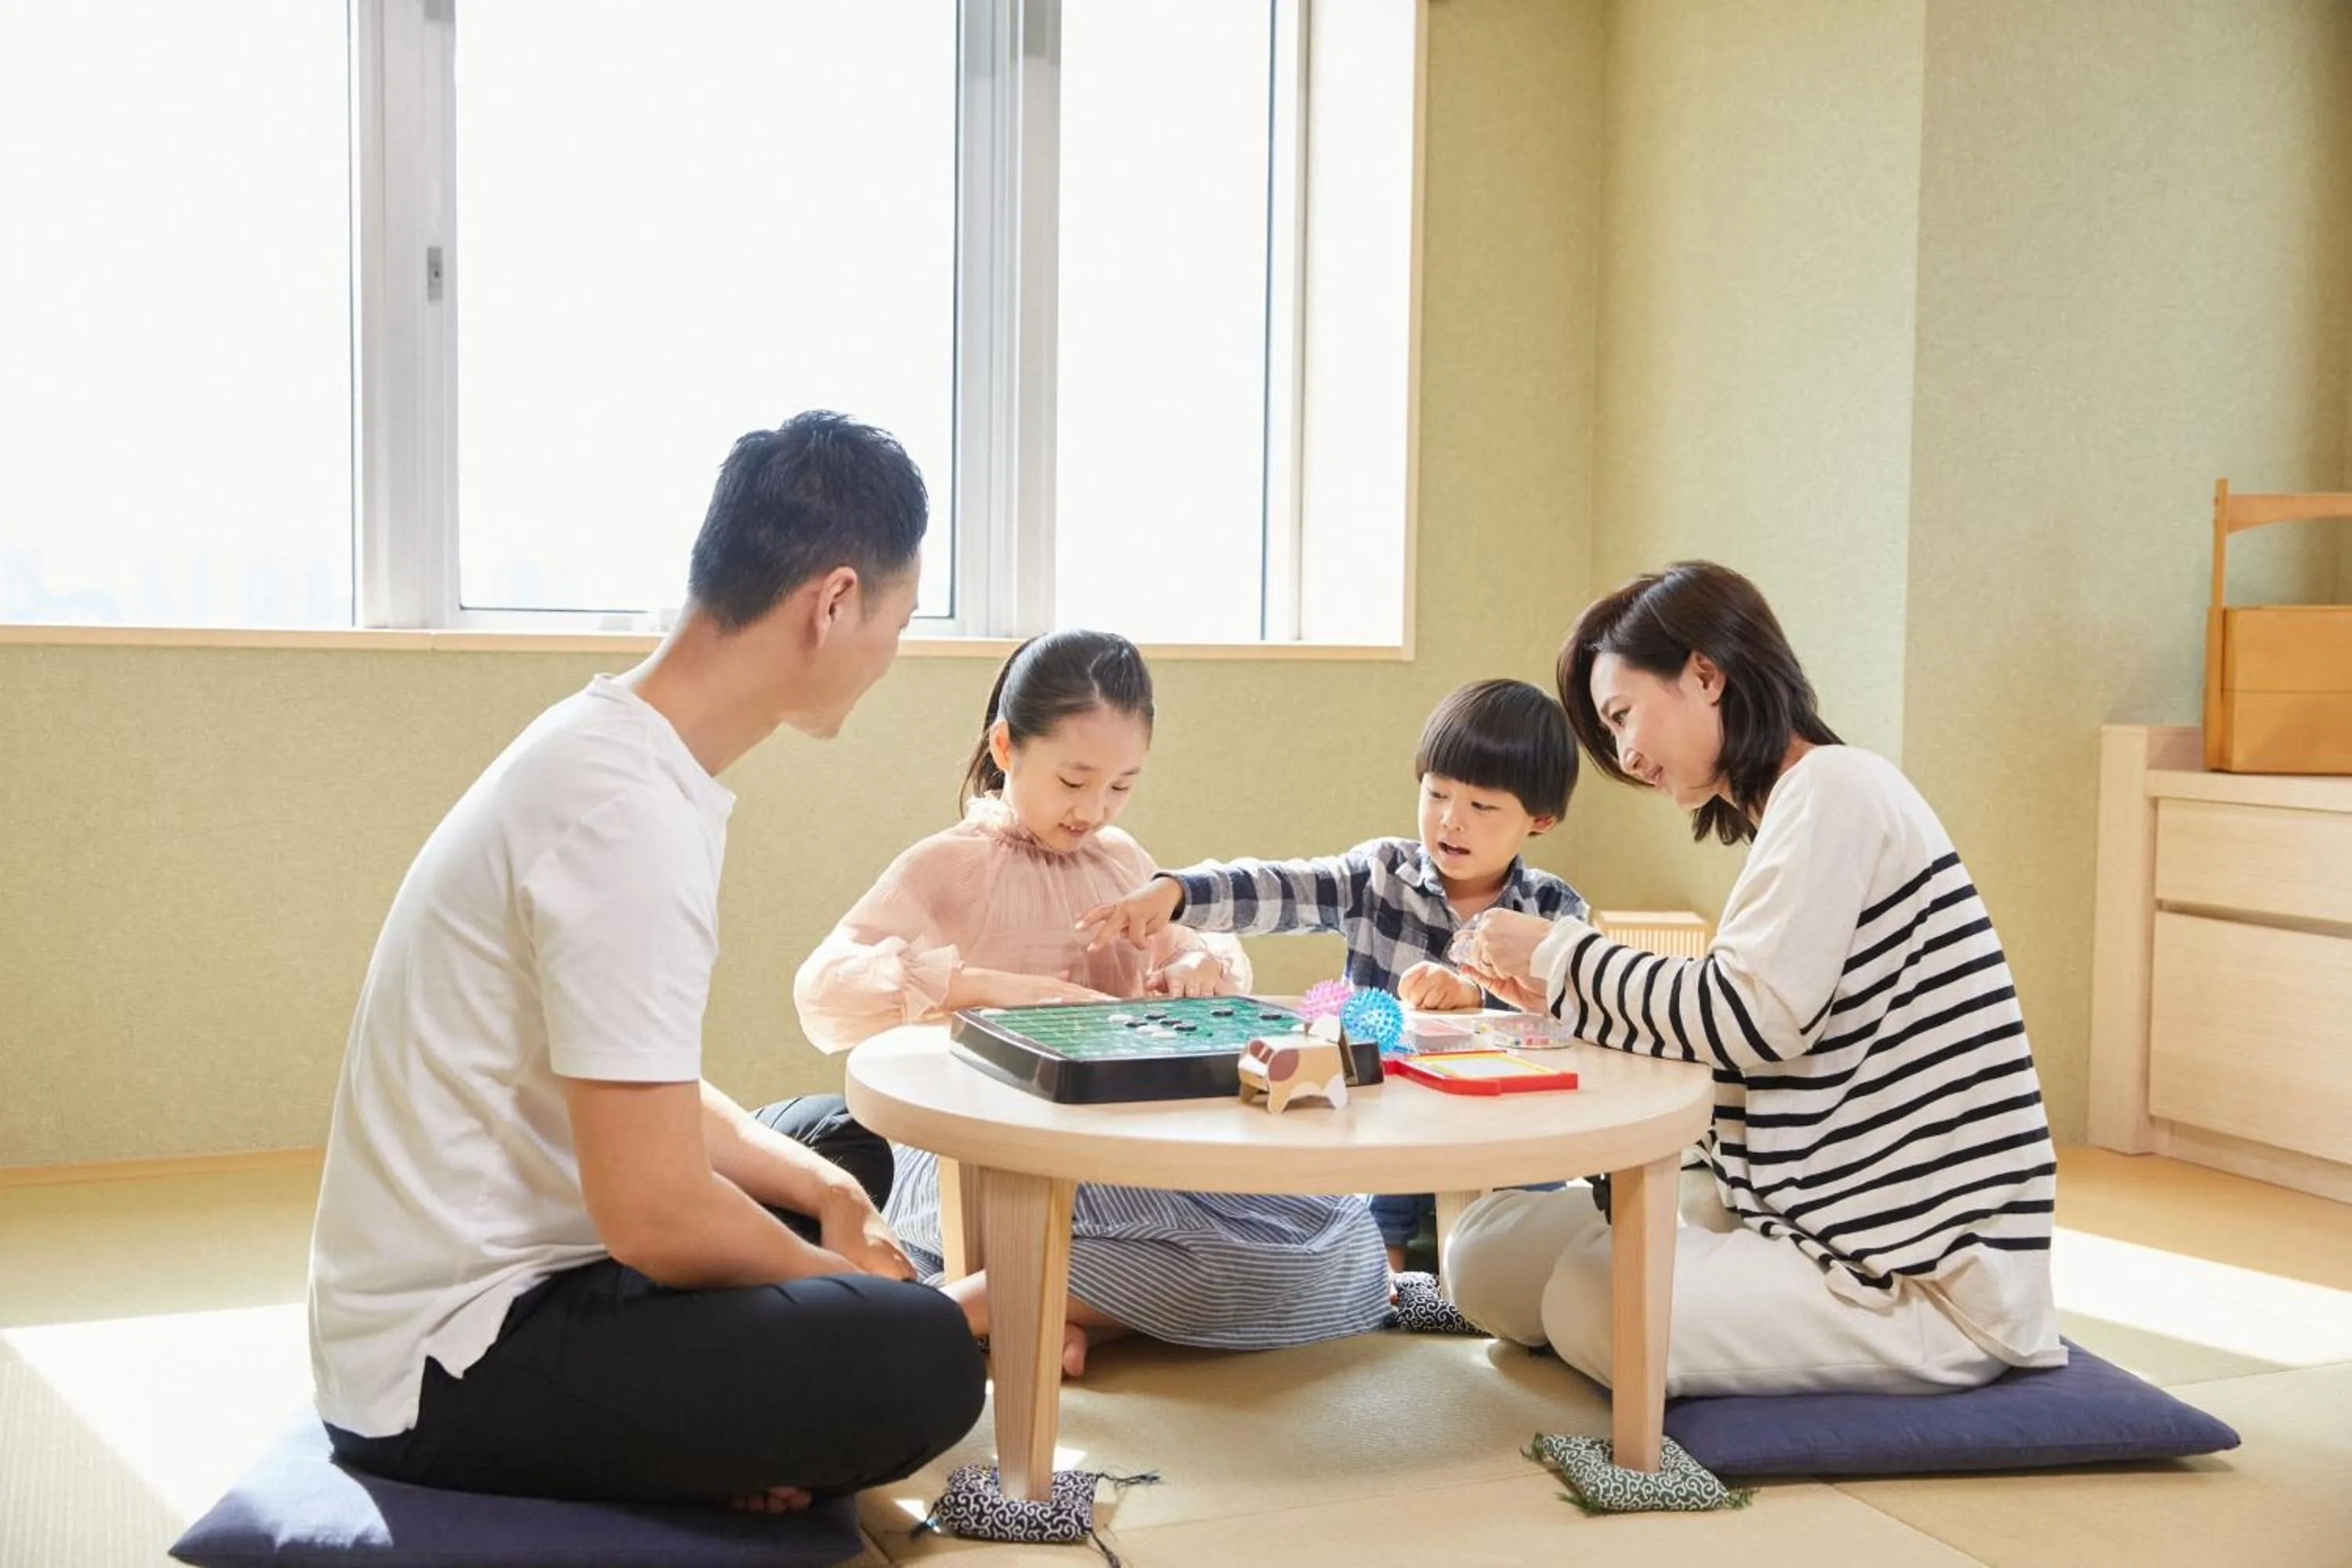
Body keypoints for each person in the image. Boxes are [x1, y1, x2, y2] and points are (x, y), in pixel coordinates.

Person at [307, 412, 984, 1510]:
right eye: (895, 624)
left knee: (838, 1146)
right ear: (835, 602)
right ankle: (722, 1443)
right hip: (450, 1361)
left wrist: (817, 1194)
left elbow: (637, 1088)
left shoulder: (616, 748)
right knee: (928, 1359)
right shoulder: (627, 815)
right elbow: (655, 1213)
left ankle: (734, 1423)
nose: (889, 657)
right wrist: (868, 1295)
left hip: (533, 1246)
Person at [1446, 561, 2065, 1396]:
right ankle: (1663, 1280)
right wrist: (1562, 992)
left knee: (1592, 1298)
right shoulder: (1796, 810)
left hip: (1913, 1271)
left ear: (1706, 673)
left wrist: (1562, 954)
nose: (1625, 753)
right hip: (1790, 1213)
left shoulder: (1840, 787)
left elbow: (1751, 1016)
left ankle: (1650, 1289)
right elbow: (1736, 1018)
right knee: (1481, 1250)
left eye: (1624, 714)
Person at [794, 629, 1392, 1372]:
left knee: (1350, 1243)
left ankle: (1021, 1307)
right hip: (988, 1150)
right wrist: (984, 988)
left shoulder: (1122, 861)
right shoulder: (950, 864)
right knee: (1238, 1251)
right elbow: (823, 989)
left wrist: (1198, 967)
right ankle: (986, 1306)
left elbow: (1197, 954)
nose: (1094, 810)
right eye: (1073, 782)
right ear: (1007, 747)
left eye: (1121, 786)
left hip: (1122, 1149)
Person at [1077, 677, 1586, 1268]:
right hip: (1386, 1127)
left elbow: (1574, 1019)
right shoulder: (1380, 875)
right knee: (1362, 1216)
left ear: (1541, 820)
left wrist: (1477, 995)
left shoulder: (1555, 912)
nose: (1451, 821)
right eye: (1437, 793)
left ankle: (1464, 1290)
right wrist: (1176, 891)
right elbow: (1278, 886)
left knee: (1532, 1235)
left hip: (1503, 1141)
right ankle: (1389, 1287)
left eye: (1482, 806)